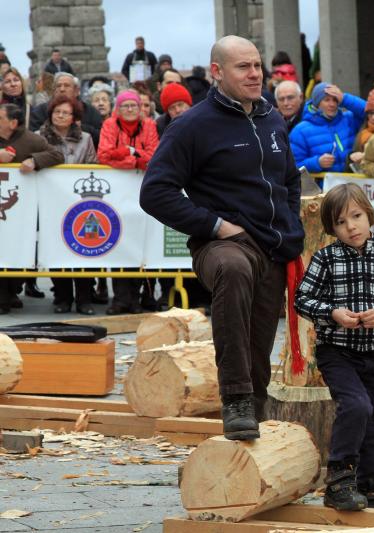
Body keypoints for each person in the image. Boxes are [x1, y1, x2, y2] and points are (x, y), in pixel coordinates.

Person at [141, 35, 304, 440]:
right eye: (242, 67)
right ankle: (236, 400)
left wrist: (289, 222)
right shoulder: (192, 126)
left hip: (272, 243)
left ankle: (256, 421)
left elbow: (288, 180)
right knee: (232, 269)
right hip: (223, 243)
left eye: (257, 65)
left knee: (261, 338)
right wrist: (214, 226)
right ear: (217, 72)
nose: (254, 74)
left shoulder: (270, 118)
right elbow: (154, 192)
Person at [294, 183, 374, 511]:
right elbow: (301, 300)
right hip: (336, 351)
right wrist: (332, 313)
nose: (351, 226)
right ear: (331, 228)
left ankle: (372, 487)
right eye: (340, 222)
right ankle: (338, 480)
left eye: (356, 216)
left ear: (369, 216)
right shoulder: (326, 258)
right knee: (356, 406)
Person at [98, 90, 159, 315]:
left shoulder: (150, 125)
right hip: (118, 192)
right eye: (126, 106)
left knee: (140, 242)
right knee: (119, 241)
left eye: (134, 105)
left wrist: (127, 155)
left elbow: (154, 157)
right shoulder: (110, 125)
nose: (131, 109)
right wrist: (132, 158)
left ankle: (136, 298)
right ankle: (121, 298)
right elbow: (103, 155)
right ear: (118, 109)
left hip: (144, 190)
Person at [36, 95, 98, 315]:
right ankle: (62, 297)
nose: (60, 116)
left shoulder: (86, 138)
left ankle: (84, 299)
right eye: (57, 112)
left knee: (85, 250)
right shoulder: (39, 137)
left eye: (66, 112)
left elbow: (93, 165)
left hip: (80, 203)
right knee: (56, 250)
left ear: (74, 118)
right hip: (51, 202)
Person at [0, 103, 64, 314]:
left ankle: (12, 292)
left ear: (12, 123)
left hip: (20, 211)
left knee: (16, 250)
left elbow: (57, 155)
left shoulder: (31, 140)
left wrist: (34, 160)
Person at [289, 82, 366, 173]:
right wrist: (317, 163)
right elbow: (293, 166)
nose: (332, 104)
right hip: (324, 186)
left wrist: (344, 98)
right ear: (317, 104)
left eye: (335, 100)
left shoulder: (349, 119)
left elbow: (368, 111)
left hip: (354, 183)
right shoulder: (300, 131)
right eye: (327, 100)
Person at [29, 73, 104, 148]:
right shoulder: (40, 111)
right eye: (58, 86)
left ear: (76, 91)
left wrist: (82, 128)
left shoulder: (90, 111)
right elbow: (33, 138)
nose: (62, 89)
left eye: (67, 86)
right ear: (54, 91)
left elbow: (101, 138)